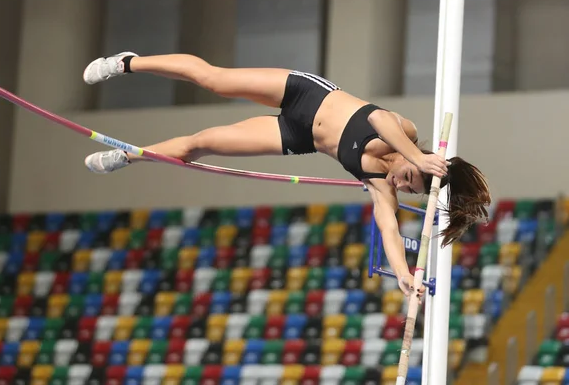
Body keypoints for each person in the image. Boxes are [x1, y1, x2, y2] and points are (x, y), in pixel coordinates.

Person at [83, 52, 491, 300]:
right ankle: (126, 63)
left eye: (409, 189)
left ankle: (130, 156)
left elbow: (387, 224)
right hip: (307, 95)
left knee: (199, 145)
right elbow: (378, 118)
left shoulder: (382, 184)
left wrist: (402, 274)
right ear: (420, 162)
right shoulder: (407, 136)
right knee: (214, 79)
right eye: (409, 178)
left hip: (299, 136)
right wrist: (414, 158)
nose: (402, 184)